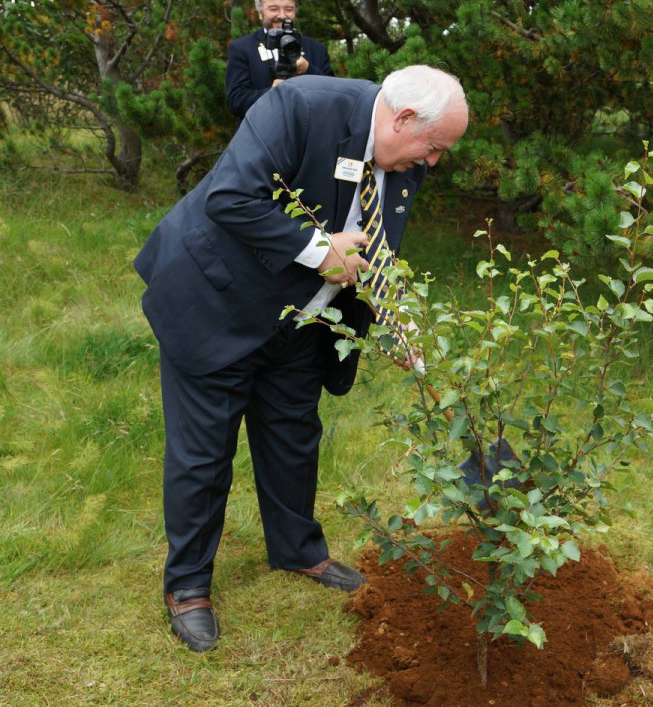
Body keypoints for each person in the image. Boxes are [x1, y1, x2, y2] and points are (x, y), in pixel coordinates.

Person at [134, 65, 469, 652]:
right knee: (204, 451)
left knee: (293, 432)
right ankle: (187, 587)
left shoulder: (401, 161)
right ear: (403, 118)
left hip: (302, 319)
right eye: (433, 147)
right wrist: (319, 251)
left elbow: (378, 246)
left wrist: (399, 323)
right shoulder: (300, 107)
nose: (433, 162)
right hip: (217, 301)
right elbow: (230, 197)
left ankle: (297, 551)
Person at [225, 0, 335, 120]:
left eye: (289, 9)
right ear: (260, 12)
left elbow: (333, 95)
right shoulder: (242, 48)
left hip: (308, 136)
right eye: (273, 8)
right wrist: (273, 93)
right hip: (262, 135)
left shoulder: (316, 49)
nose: (282, 15)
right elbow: (236, 101)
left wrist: (308, 69)